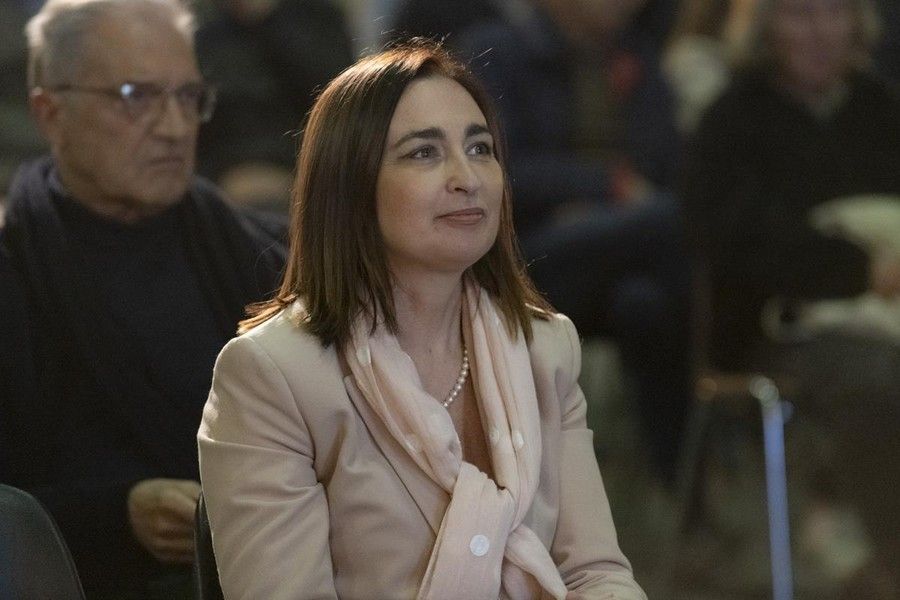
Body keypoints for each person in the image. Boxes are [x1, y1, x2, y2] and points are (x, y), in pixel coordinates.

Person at [198, 41, 647, 599]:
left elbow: (595, 574)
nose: (467, 177)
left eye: (480, 148)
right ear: (351, 185)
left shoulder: (547, 346)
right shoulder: (273, 375)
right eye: (424, 154)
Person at [0, 0, 285, 597]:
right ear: (49, 112)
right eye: (136, 96)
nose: (176, 127)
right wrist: (120, 515)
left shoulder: (256, 252)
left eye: (188, 96)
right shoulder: (16, 276)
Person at [390, 0, 693, 486]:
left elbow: (666, 160)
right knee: (673, 221)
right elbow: (487, 167)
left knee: (645, 305)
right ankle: (697, 470)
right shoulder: (498, 52)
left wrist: (612, 206)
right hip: (527, 248)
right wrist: (605, 187)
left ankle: (674, 486)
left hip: (622, 247)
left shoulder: (635, 56)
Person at [681, 0, 900, 589]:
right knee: (879, 376)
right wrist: (857, 271)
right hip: (772, 331)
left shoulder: (881, 110)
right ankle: (888, 558)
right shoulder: (732, 120)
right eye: (799, 14)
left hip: (884, 317)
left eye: (835, 14)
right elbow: (733, 244)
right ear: (767, 27)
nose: (820, 32)